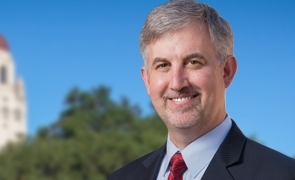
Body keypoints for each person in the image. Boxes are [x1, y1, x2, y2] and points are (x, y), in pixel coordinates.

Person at [108, 0, 295, 179]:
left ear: (226, 71)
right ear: (147, 80)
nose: (177, 83)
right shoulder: (122, 177)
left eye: (193, 62)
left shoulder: (282, 174)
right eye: (163, 65)